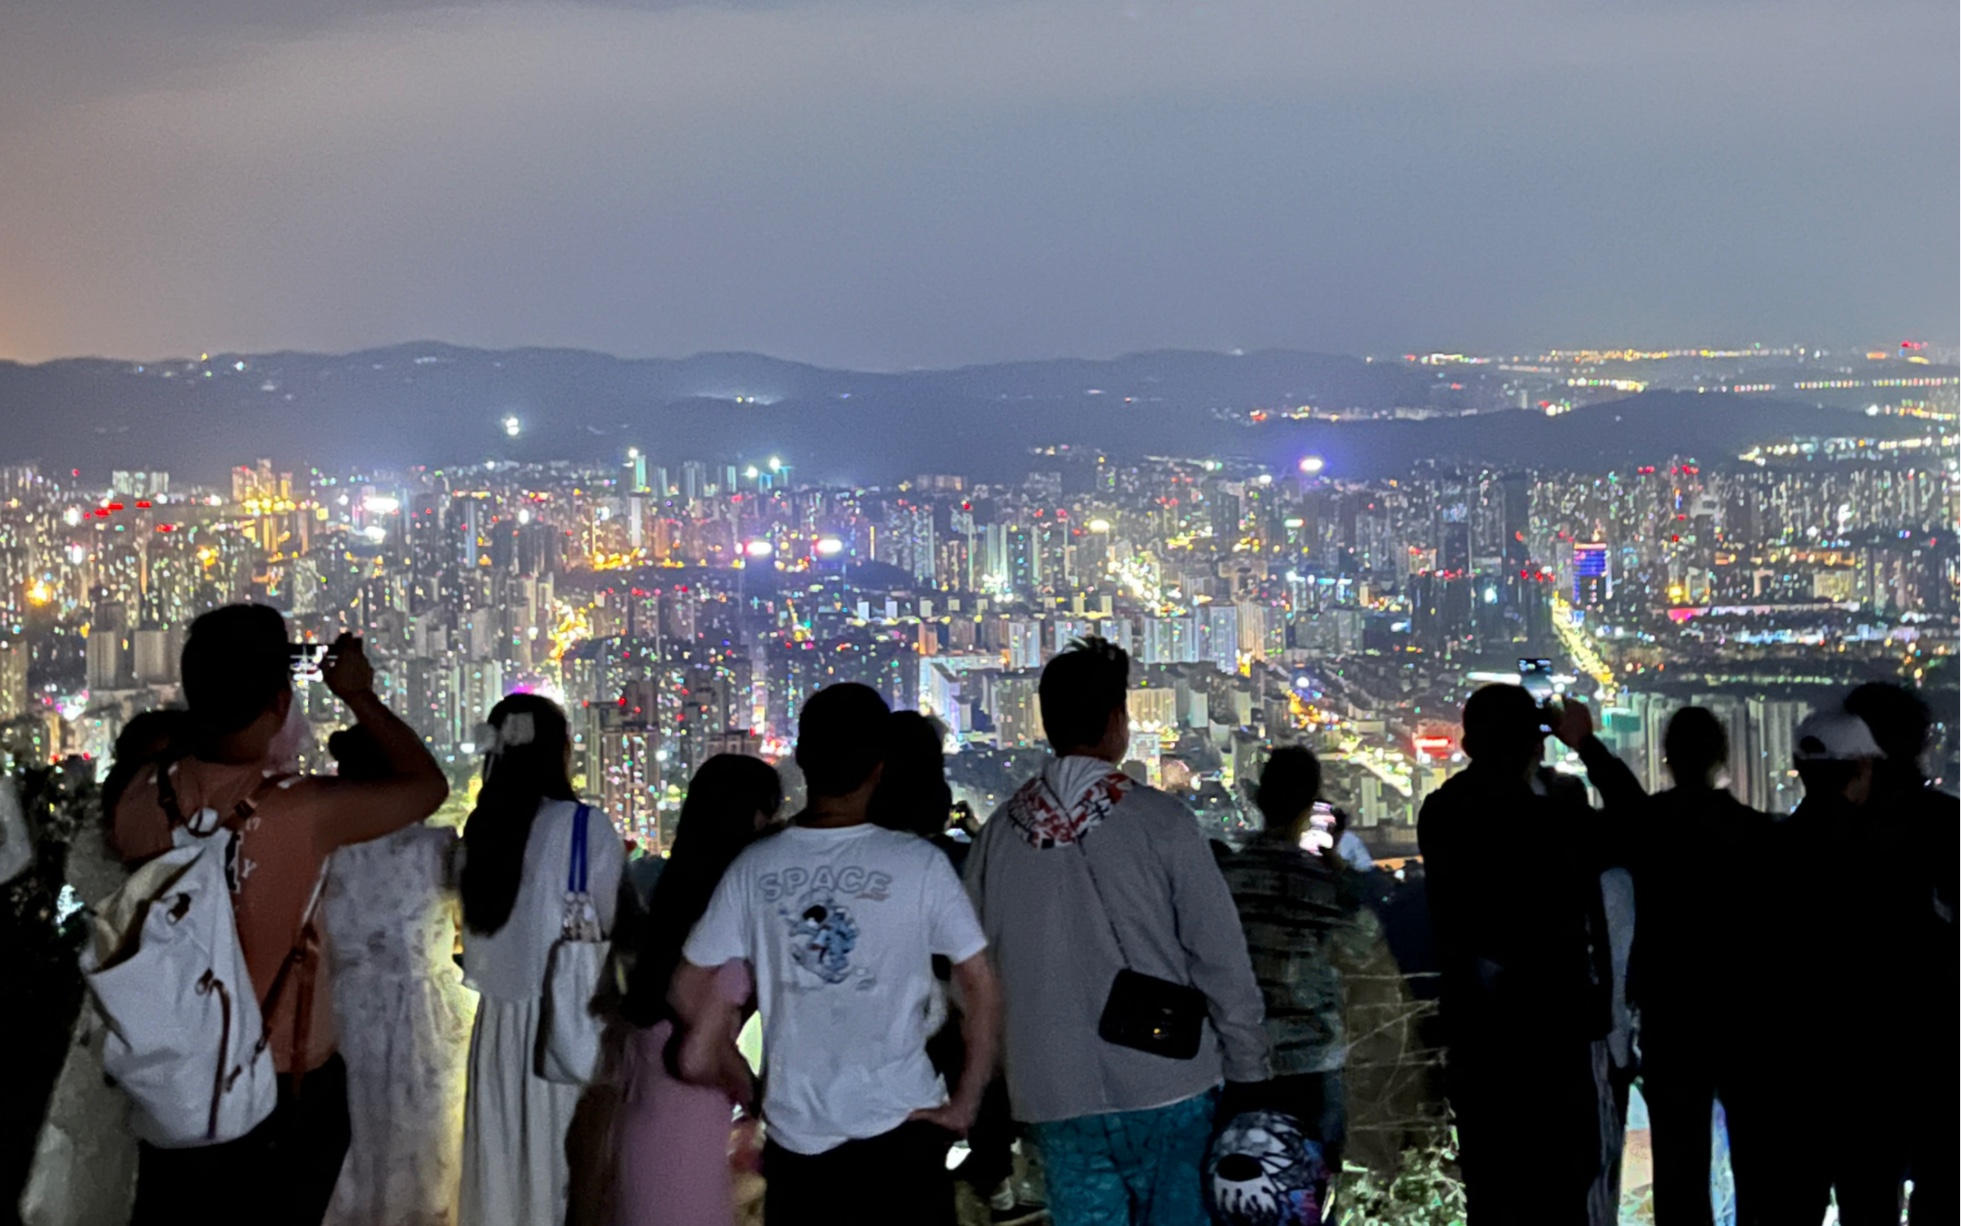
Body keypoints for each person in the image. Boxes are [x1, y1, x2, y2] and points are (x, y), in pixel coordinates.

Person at [111, 605, 449, 1226]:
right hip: (282, 1090)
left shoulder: (136, 799)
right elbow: (427, 787)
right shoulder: (299, 812)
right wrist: (359, 695)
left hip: (174, 1092)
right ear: (277, 701)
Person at [965, 637, 1268, 1226]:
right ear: (1115, 721)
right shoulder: (1163, 822)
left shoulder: (996, 839)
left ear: (1047, 723)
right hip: (1170, 1081)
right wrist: (1250, 1071)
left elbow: (972, 980)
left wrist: (1003, 1066)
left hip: (1052, 1094)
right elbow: (1220, 957)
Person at [672, 684, 1001, 1226]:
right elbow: (981, 986)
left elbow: (686, 988)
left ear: (801, 760)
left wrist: (748, 1085)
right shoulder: (918, 864)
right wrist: (965, 1103)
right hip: (905, 1132)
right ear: (880, 766)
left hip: (798, 1140)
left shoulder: (755, 868)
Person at [1416, 684, 1641, 1225]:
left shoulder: (1441, 813)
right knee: (1564, 1195)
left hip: (1480, 1042)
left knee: (1493, 1197)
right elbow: (1638, 822)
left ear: (1467, 744)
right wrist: (1586, 744)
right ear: (1537, 747)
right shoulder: (1557, 824)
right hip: (1556, 1042)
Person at [457, 694, 626, 1226]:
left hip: (496, 1032)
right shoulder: (583, 828)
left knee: (501, 1175)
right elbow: (621, 922)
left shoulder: (480, 833)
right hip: (566, 1025)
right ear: (559, 752)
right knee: (563, 1175)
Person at [611, 753, 783, 1226]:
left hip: (650, 1114)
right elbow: (701, 1049)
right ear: (753, 818)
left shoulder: (674, 902)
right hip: (688, 1125)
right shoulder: (722, 922)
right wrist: (753, 1091)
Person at [1747, 709, 1905, 1224]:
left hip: (1788, 1077)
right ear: (1862, 766)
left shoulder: (1768, 854)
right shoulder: (1886, 857)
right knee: (1872, 1206)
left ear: (1798, 766)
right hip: (1870, 1075)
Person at [319, 726, 476, 1226]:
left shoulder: (323, 852)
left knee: (351, 1157)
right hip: (425, 1017)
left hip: (341, 1014)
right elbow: (467, 928)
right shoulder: (435, 847)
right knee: (427, 1157)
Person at [1626, 707, 1766, 1226]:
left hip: (1670, 1009)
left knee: (1679, 1157)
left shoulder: (1645, 827)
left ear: (1666, 758)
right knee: (1756, 1156)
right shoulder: (1753, 833)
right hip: (1743, 1010)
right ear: (1722, 757)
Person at [1217, 746, 1372, 1175]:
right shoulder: (1322, 882)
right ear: (1311, 808)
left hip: (1237, 1057)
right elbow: (1363, 947)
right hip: (1311, 1059)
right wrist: (1332, 857)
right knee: (1310, 1190)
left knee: (1242, 1189)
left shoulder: (1228, 878)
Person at [1842, 683, 1958, 1226]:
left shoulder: (1829, 838)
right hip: (1941, 1050)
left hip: (1856, 1057)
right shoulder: (1948, 825)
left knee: (1866, 1195)